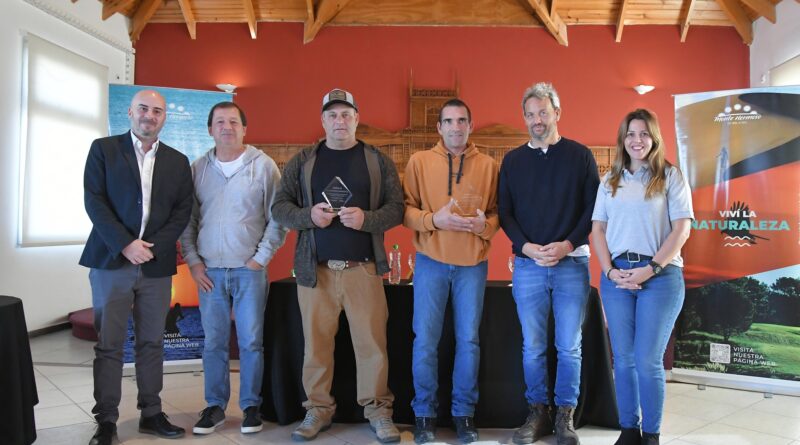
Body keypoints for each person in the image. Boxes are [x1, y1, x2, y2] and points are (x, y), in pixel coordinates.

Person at [271, 88, 404, 443]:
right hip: (315, 271)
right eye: (332, 115)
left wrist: (367, 219)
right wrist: (309, 216)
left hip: (364, 269)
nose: (339, 121)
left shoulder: (377, 161)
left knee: (372, 347)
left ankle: (378, 411)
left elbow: (397, 208)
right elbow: (279, 208)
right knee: (315, 347)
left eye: (346, 114)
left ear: (357, 118)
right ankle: (318, 409)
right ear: (323, 120)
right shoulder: (303, 161)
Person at [80, 89, 193, 445]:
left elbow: (182, 211)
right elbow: (94, 200)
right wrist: (125, 244)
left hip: (155, 265)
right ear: (130, 112)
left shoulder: (178, 161)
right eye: (143, 108)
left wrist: (151, 248)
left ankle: (151, 413)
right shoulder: (104, 149)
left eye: (157, 111)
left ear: (164, 118)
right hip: (111, 260)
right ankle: (106, 420)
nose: (150, 115)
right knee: (109, 344)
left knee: (152, 342)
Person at [498, 82, 600, 445]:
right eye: (530, 114)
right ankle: (537, 412)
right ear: (524, 118)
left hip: (572, 263)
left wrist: (568, 244)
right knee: (533, 346)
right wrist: (526, 248)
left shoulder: (580, 156)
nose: (537, 120)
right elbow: (505, 213)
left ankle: (564, 416)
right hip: (528, 266)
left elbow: (593, 210)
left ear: (557, 113)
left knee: (569, 346)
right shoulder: (512, 161)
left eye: (543, 112)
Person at [180, 102, 287, 435]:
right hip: (209, 272)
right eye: (219, 122)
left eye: (233, 122)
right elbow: (187, 220)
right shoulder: (197, 169)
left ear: (244, 129)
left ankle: (251, 406)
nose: (226, 127)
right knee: (213, 342)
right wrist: (194, 262)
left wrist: (260, 259)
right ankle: (214, 406)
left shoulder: (264, 166)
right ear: (210, 129)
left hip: (248, 271)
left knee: (251, 341)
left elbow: (278, 217)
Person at [590, 109, 693, 445]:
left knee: (648, 360)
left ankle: (651, 435)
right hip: (617, 278)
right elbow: (598, 230)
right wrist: (609, 270)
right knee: (623, 360)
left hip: (660, 277)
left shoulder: (670, 176)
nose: (637, 140)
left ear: (654, 138)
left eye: (644, 133)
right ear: (623, 139)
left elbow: (681, 230)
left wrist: (651, 269)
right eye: (631, 134)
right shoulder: (609, 180)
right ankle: (629, 431)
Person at [403, 99, 499, 444]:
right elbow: (406, 211)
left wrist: (483, 226)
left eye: (462, 121)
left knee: (468, 341)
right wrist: (434, 220)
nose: (456, 127)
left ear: (470, 126)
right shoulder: (419, 162)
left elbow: (497, 213)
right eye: (449, 121)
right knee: (425, 341)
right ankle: (424, 414)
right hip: (430, 262)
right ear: (439, 127)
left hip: (472, 265)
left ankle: (463, 414)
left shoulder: (489, 166)